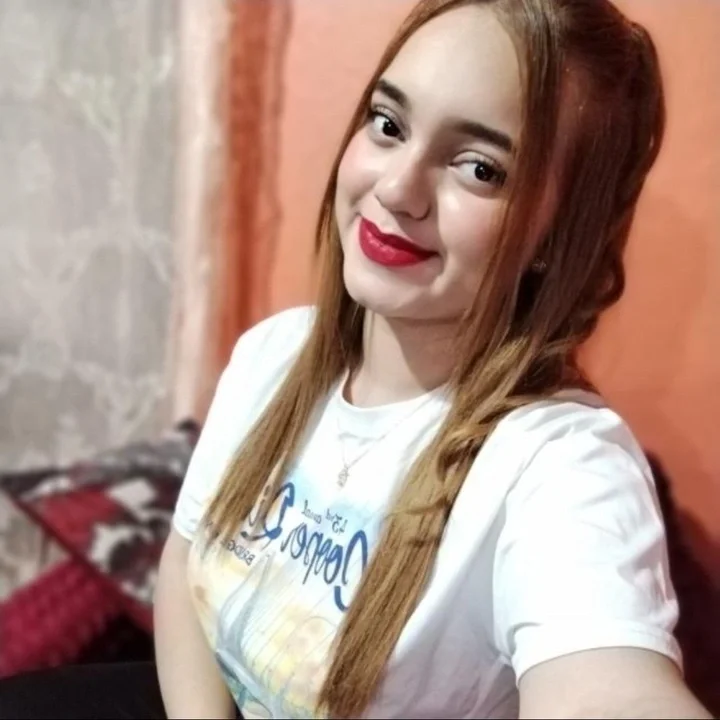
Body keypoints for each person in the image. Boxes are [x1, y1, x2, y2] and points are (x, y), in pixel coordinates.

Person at [0, 1, 711, 719]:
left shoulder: (561, 465)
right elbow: (186, 563)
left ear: (558, 236)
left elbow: (611, 688)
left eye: (480, 168)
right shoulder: (273, 356)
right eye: (389, 125)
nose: (397, 189)